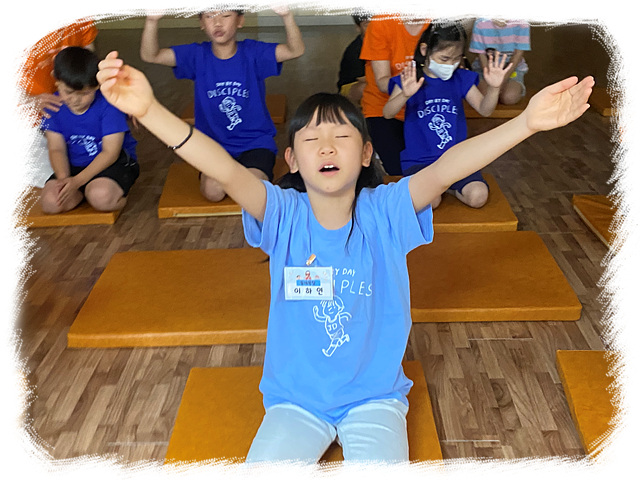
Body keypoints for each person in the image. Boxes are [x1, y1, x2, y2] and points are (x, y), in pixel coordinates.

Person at [97, 50, 593, 462]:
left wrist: (526, 123)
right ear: (292, 160)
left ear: (366, 154)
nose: (327, 148)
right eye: (312, 140)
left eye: (341, 137)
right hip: (295, 402)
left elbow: (446, 169)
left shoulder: (387, 212)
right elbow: (225, 170)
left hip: (374, 399)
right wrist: (150, 111)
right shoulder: (282, 214)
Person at [140, 8, 304, 202]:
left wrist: (286, 15)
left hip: (255, 143)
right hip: (213, 146)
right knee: (213, 192)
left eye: (225, 16)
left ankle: (243, 173)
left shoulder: (254, 53)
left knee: (254, 191)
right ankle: (233, 175)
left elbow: (295, 50)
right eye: (209, 16)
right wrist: (151, 20)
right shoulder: (196, 55)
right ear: (201, 23)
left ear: (240, 21)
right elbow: (150, 56)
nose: (217, 23)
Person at [383, 23, 511, 209]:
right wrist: (405, 94)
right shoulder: (409, 78)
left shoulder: (461, 78)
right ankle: (442, 187)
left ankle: (449, 188)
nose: (450, 65)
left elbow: (485, 110)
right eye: (444, 58)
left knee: (478, 196)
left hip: (456, 159)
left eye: (456, 59)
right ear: (425, 50)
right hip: (420, 161)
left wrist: (494, 88)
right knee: (430, 202)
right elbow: (388, 113)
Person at [39, 47, 138, 214]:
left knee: (101, 197)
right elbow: (56, 148)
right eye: (68, 92)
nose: (76, 100)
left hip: (112, 164)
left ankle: (111, 193)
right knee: (51, 203)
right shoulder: (53, 107)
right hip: (73, 166)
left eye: (85, 93)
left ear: (97, 86)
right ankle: (84, 193)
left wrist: (77, 182)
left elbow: (110, 153)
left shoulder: (109, 106)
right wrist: (64, 181)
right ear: (56, 80)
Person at [20, 19, 98, 187]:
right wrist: (29, 101)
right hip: (25, 120)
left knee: (96, 180)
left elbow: (89, 69)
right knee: (51, 184)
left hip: (72, 113)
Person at [359, 14, 430, 175]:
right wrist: (409, 86)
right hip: (383, 107)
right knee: (400, 171)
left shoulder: (440, 22)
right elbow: (382, 82)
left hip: (427, 105)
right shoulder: (381, 23)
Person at [469, 18, 531, 105]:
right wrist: (491, 79)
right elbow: (481, 56)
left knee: (509, 97)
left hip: (512, 70)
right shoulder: (480, 23)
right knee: (485, 96)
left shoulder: (522, 23)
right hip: (485, 69)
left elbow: (518, 55)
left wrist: (501, 81)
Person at [336, 13, 371, 106]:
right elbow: (363, 79)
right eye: (367, 24)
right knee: (366, 87)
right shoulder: (354, 50)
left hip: (380, 79)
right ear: (358, 28)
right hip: (353, 85)